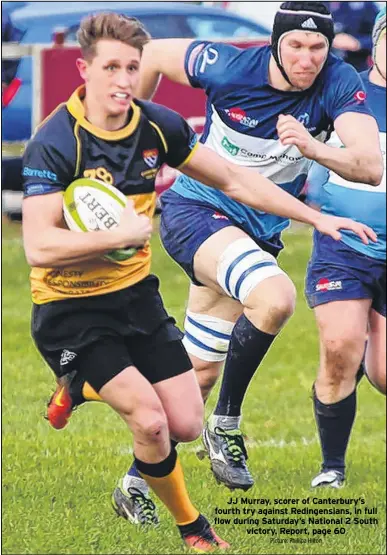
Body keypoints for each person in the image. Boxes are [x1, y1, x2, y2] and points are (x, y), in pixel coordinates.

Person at [24, 11, 376, 546]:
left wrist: (314, 160)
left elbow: (361, 166)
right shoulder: (229, 64)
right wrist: (126, 141)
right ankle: (228, 425)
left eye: (317, 48)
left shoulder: (337, 81)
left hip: (257, 226)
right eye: (296, 46)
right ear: (277, 43)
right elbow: (160, 56)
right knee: (275, 296)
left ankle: (127, 471)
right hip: (196, 215)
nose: (307, 59)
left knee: (193, 387)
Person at [305, 6, 386, 489]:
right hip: (345, 246)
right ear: (376, 41)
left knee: (383, 376)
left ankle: (362, 356)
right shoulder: (342, 90)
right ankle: (332, 468)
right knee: (339, 346)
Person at [324, 1, 379, 72]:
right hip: (323, 66)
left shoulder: (366, 5)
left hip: (356, 66)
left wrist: (358, 43)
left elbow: (379, 37)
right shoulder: (317, 4)